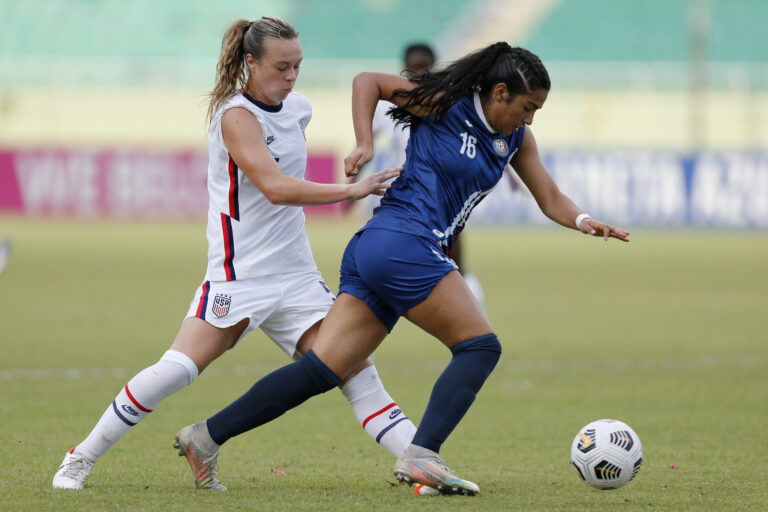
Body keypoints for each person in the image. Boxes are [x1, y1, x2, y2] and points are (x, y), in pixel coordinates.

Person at [174, 42, 630, 496]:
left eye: (538, 111)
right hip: (403, 244)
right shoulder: (445, 104)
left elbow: (549, 198)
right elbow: (366, 82)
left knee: (323, 370)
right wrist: (365, 143)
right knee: (480, 348)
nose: (530, 119)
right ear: (499, 91)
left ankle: (206, 437)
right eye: (527, 107)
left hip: (380, 248)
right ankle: (422, 455)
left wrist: (584, 220)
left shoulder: (516, 138)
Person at [52, 17, 423, 491]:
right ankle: (79, 457)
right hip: (239, 276)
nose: (291, 77)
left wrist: (358, 151)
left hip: (297, 277)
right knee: (177, 371)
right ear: (251, 62)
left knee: (354, 372)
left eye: (298, 67)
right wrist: (351, 190)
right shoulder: (235, 116)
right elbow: (274, 186)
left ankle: (420, 467)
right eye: (281, 67)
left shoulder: (298, 108)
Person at [351, 42, 486, 305]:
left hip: (439, 192)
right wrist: (352, 180)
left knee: (454, 254)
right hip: (394, 189)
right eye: (412, 71)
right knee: (374, 249)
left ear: (433, 69)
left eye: (423, 70)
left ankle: (470, 303)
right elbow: (366, 140)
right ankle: (366, 306)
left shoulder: (445, 103)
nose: (418, 76)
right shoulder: (388, 104)